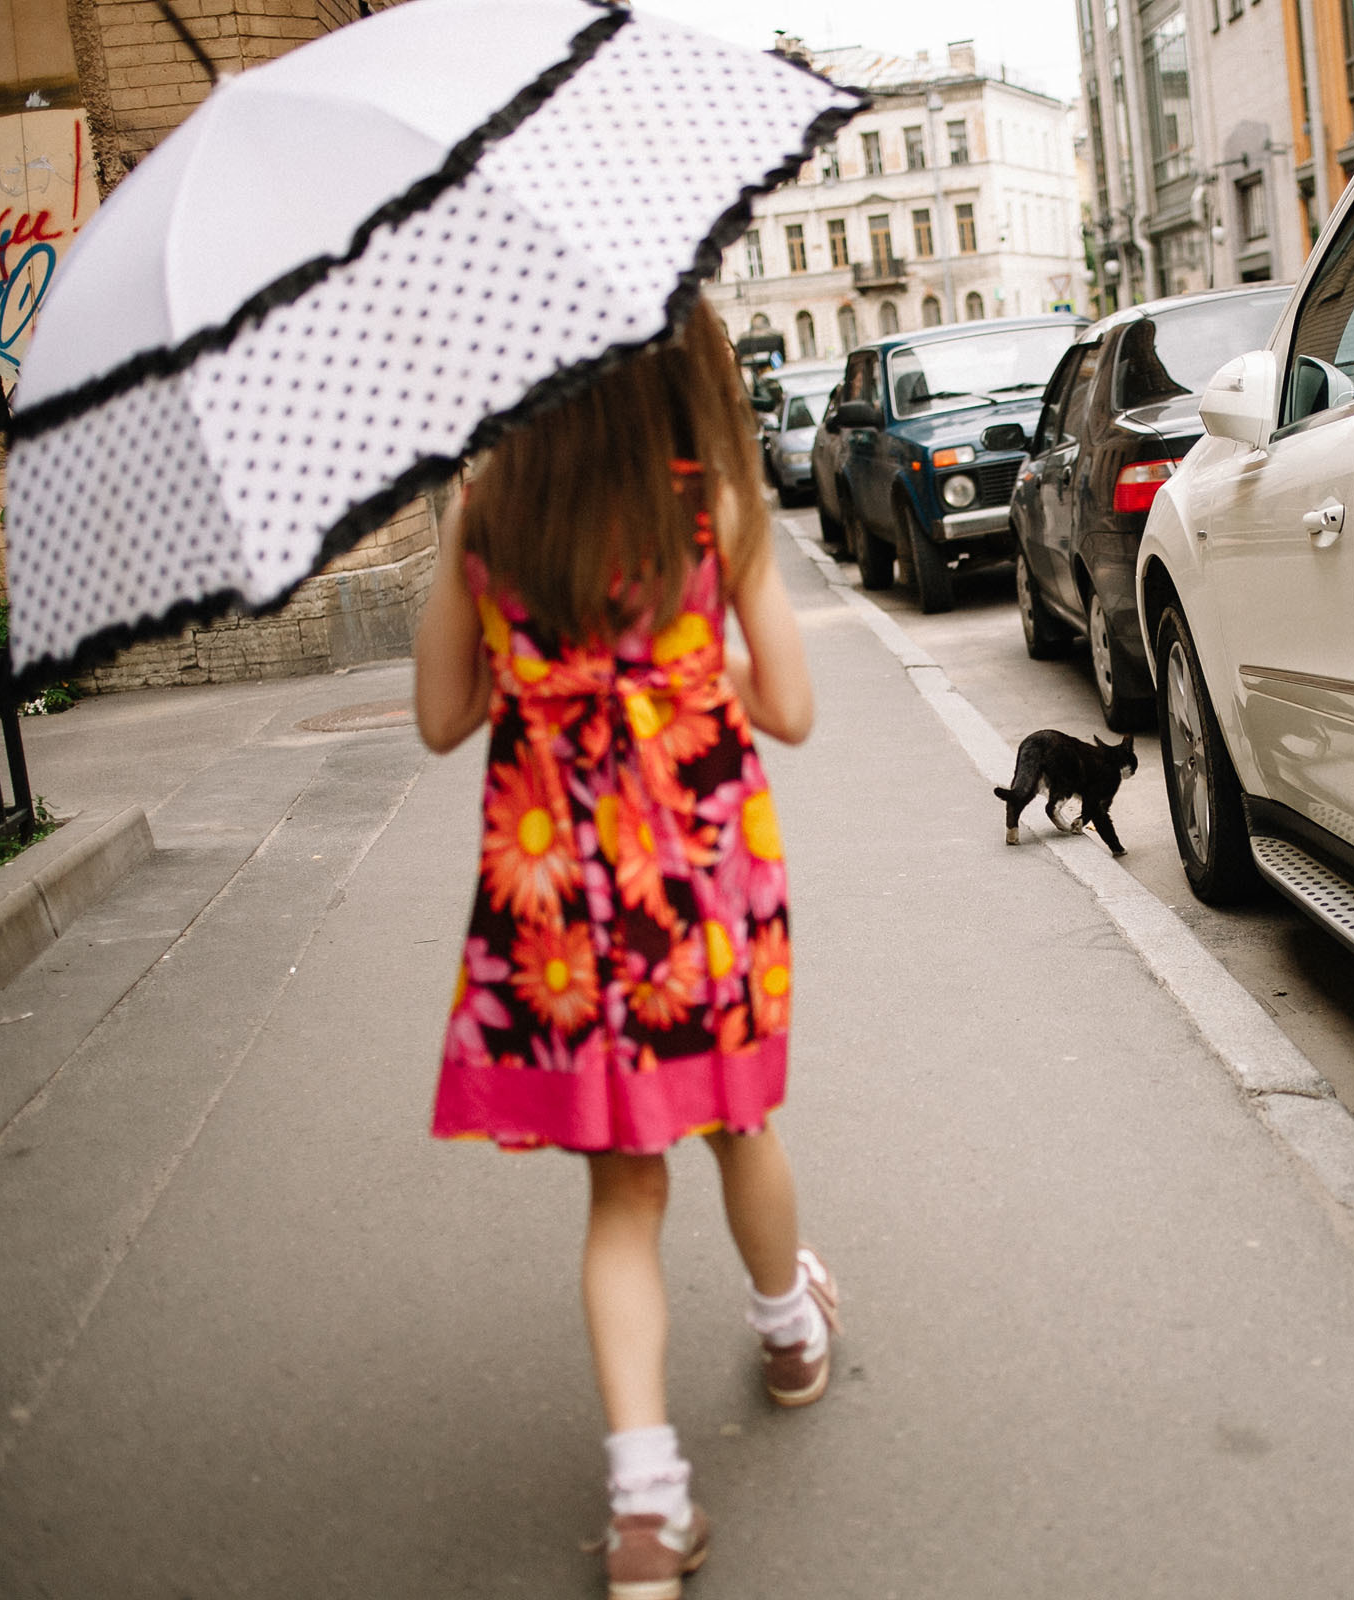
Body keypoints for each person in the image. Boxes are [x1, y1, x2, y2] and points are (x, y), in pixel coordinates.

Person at [412, 305, 834, 1599]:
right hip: (701, 879)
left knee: (623, 1192)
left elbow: (442, 717)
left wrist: (469, 556)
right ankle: (789, 1332)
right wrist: (697, 683)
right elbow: (795, 709)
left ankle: (648, 1508)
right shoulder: (705, 503)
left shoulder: (490, 511)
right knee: (740, 1125)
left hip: (566, 909)